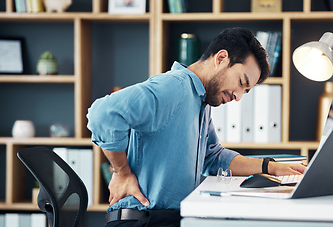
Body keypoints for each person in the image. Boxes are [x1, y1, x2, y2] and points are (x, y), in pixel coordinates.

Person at [86, 27, 306, 227]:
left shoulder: (199, 100)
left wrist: (271, 167)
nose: (238, 97)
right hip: (144, 220)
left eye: (246, 91)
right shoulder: (174, 88)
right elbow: (103, 113)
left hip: (168, 218)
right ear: (221, 58)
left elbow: (214, 157)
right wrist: (121, 172)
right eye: (241, 82)